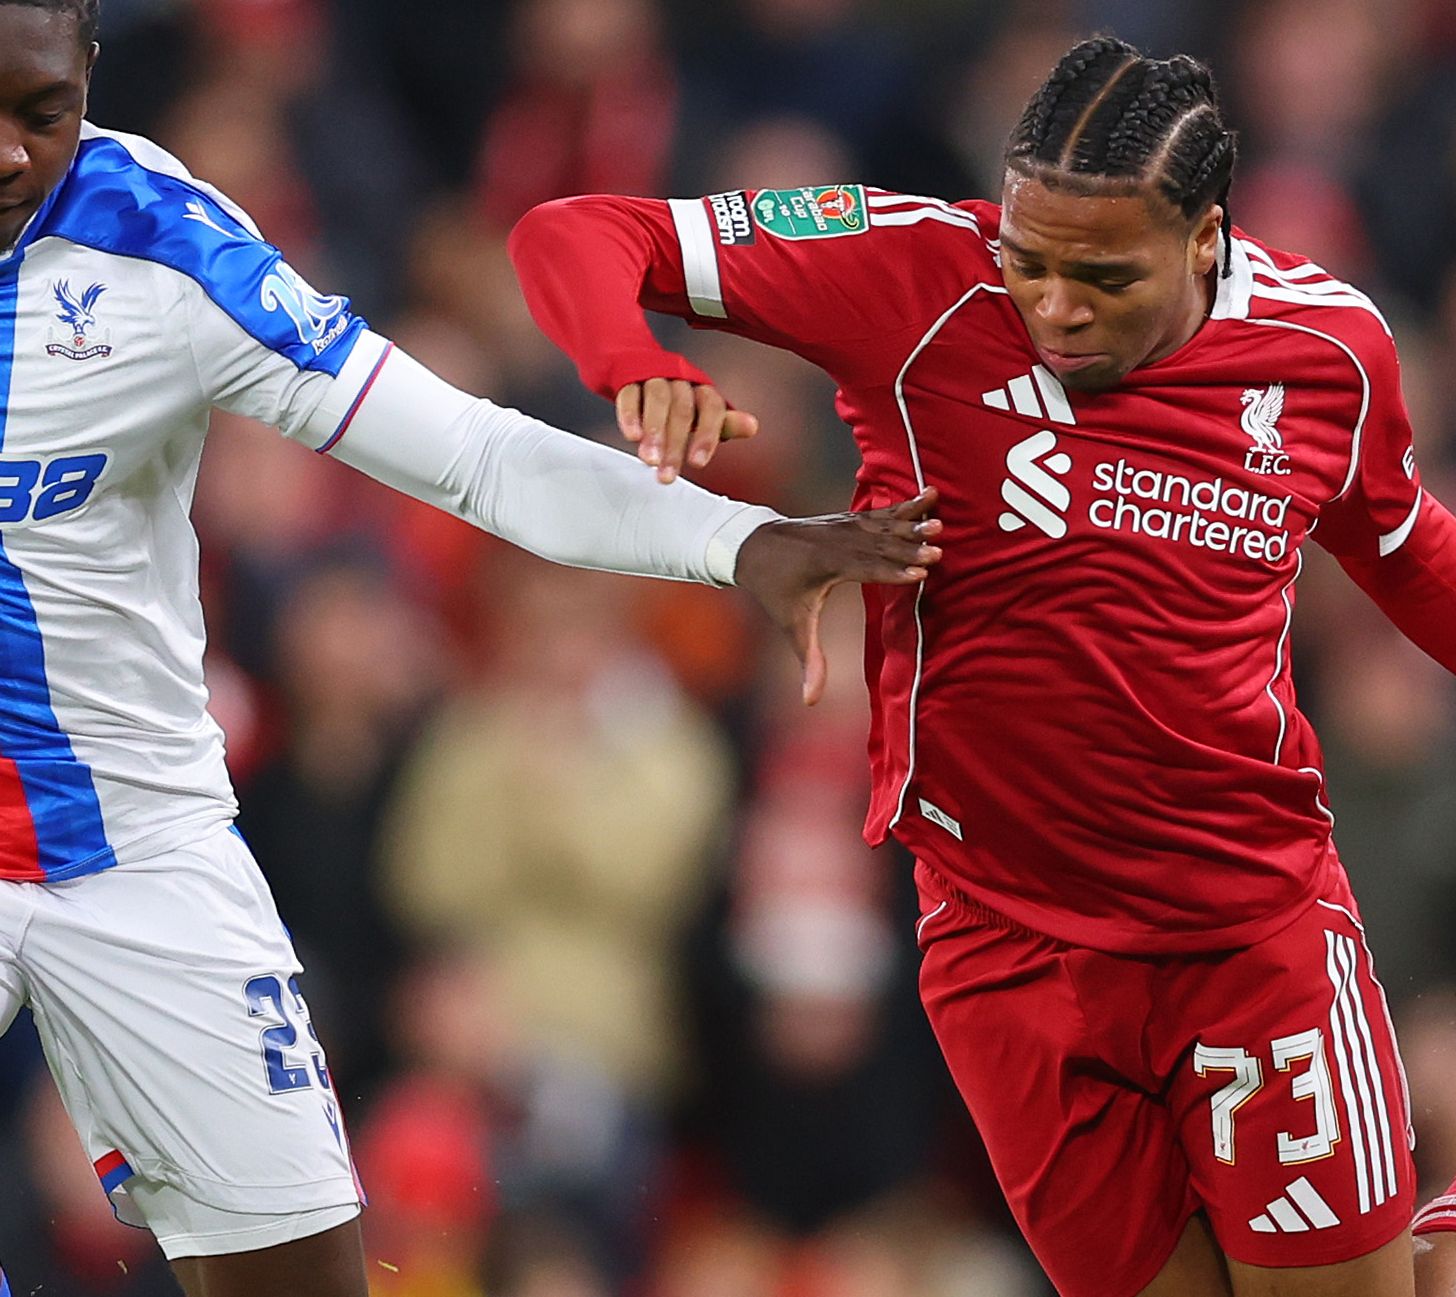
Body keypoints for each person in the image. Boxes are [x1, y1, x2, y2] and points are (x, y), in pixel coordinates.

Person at [508, 34, 1456, 1297]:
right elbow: (575, 233)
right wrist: (633, 363)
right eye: (1028, 261)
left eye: (1101, 275)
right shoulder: (907, 270)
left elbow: (1402, 541)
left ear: (1206, 238)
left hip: (1243, 926)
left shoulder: (1323, 350)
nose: (1051, 305)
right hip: (1002, 942)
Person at [0, 2, 943, 1294]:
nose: (8, 152)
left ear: (91, 79)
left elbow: (470, 452)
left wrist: (739, 540)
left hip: (143, 840)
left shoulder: (160, 245)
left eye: (42, 112)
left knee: (300, 1274)